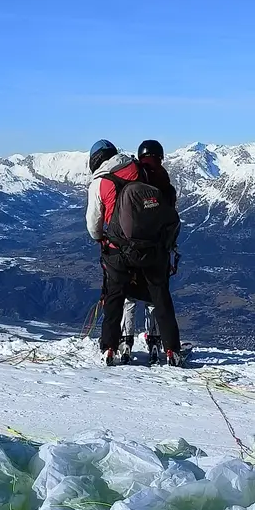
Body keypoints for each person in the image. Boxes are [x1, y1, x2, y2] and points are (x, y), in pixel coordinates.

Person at [85, 138, 184, 367]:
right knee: (161, 298)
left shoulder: (100, 181)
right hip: (153, 249)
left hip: (118, 250)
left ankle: (109, 347)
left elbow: (93, 226)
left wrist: (102, 238)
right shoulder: (139, 169)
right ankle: (172, 350)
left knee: (115, 297)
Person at [119, 140, 180, 362]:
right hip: (158, 251)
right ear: (160, 157)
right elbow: (171, 217)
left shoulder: (131, 182)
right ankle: (154, 339)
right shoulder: (165, 185)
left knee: (129, 296)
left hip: (130, 250)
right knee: (156, 297)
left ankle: (125, 339)